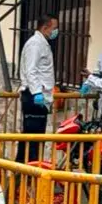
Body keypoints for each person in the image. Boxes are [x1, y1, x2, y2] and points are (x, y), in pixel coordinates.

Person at [17, 13, 58, 164]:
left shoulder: (42, 43)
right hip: (34, 96)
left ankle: (27, 172)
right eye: (54, 28)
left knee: (35, 139)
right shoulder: (35, 44)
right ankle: (27, 173)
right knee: (32, 141)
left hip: (39, 96)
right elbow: (31, 70)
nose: (55, 31)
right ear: (45, 27)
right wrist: (37, 93)